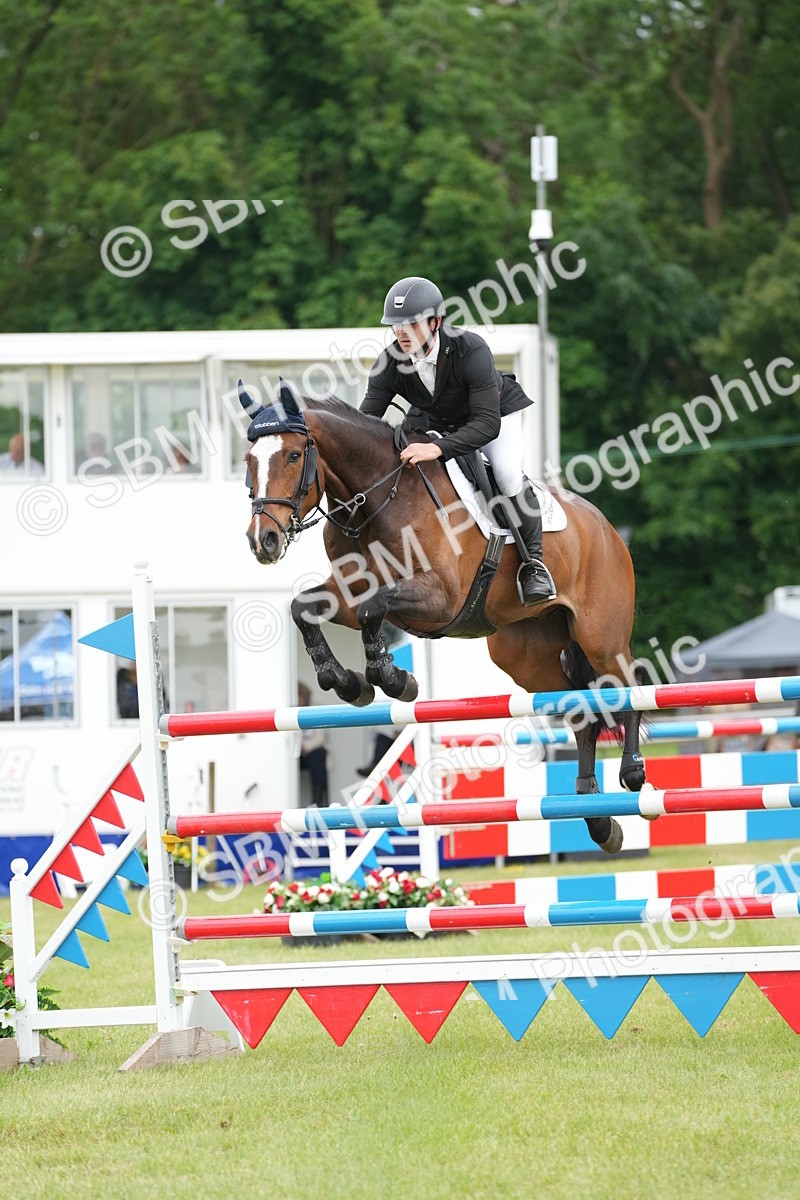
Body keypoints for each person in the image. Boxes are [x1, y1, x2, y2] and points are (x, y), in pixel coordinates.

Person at [360, 276, 556, 606]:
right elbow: (365, 424)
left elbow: (486, 424)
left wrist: (436, 447)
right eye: (395, 325)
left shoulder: (471, 349)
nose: (401, 333)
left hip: (493, 415)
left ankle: (534, 565)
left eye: (410, 323)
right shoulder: (391, 362)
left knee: (506, 473)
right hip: (438, 420)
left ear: (436, 322)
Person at [297, 682, 329, 807]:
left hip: (311, 751)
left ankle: (318, 802)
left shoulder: (316, 709)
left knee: (319, 755)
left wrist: (304, 747)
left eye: (299, 695)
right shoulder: (286, 711)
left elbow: (320, 738)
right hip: (295, 754)